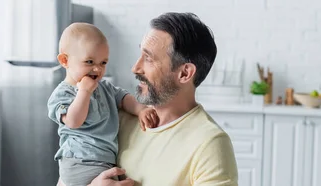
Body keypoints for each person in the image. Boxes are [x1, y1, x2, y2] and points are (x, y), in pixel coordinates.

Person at [58, 12, 239, 186]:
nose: (135, 68)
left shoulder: (210, 143)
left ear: (184, 73)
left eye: (148, 58)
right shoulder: (115, 114)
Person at [47, 22, 159, 186]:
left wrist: (140, 109)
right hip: (79, 162)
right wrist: (84, 93)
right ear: (65, 60)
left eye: (103, 63)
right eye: (89, 62)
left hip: (103, 161)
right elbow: (73, 121)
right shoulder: (63, 94)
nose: (97, 69)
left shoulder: (104, 87)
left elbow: (123, 98)